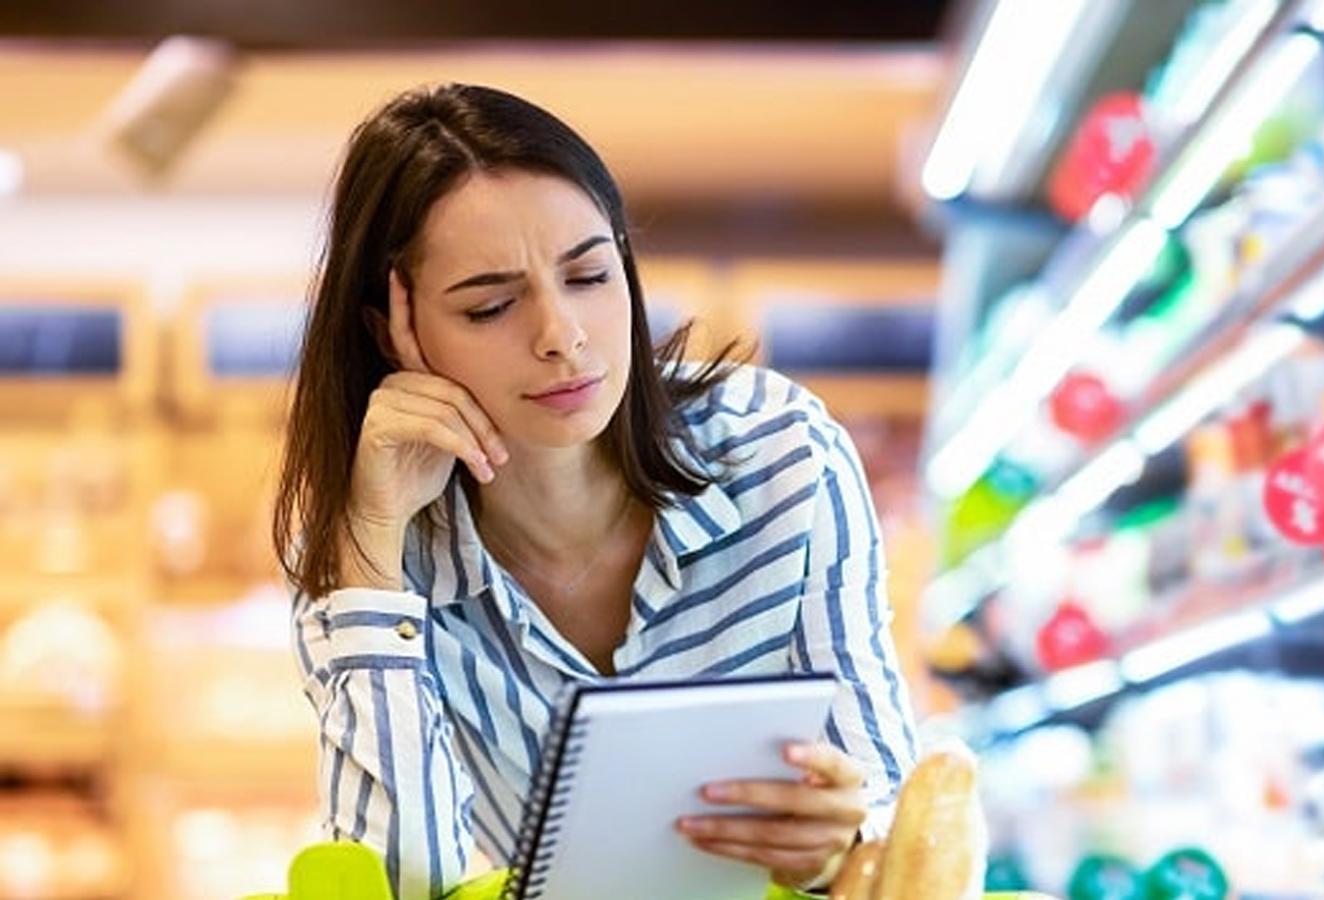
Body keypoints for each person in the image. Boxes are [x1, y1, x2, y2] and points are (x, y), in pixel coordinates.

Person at [271, 83, 921, 900]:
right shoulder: (373, 551)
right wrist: (369, 555)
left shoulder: (780, 456)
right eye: (491, 306)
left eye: (588, 276)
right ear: (393, 333)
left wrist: (835, 849)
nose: (562, 337)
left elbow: (893, 824)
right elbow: (399, 887)